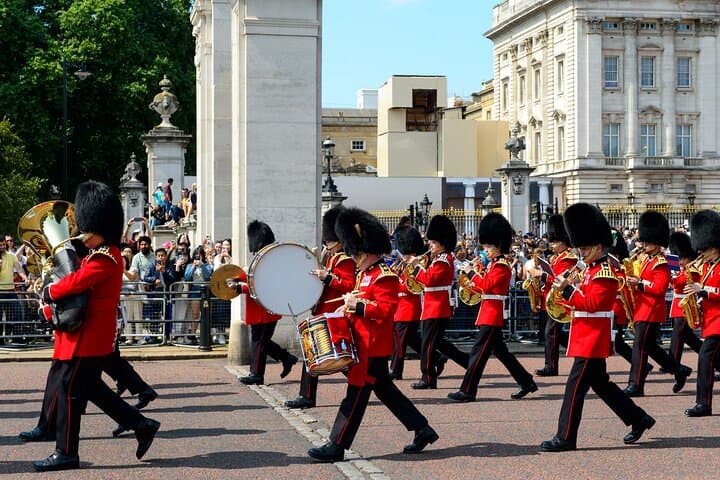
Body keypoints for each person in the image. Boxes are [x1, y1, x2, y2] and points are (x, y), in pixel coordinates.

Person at [30, 180, 160, 471]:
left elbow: (77, 281)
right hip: (83, 336)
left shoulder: (107, 256)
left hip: (88, 338)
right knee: (92, 390)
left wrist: (50, 291)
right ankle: (141, 425)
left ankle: (66, 452)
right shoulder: (97, 252)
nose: (82, 232)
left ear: (99, 226)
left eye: (87, 227)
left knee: (69, 390)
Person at [307, 207, 438, 462]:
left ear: (368, 251)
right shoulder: (363, 275)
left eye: (356, 252)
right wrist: (348, 305)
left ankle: (337, 445)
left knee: (355, 395)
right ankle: (422, 429)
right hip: (362, 343)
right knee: (387, 392)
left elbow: (387, 310)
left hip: (373, 346)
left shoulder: (383, 276)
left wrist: (358, 306)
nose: (353, 257)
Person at [540, 203, 655, 452]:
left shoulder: (604, 272)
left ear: (599, 246)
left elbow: (592, 303)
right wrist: (561, 294)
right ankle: (639, 419)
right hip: (584, 334)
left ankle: (566, 437)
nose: (580, 252)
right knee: (601, 384)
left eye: (584, 248)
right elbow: (580, 302)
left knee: (575, 388)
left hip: (592, 338)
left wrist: (568, 290)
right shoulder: (588, 270)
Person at [447, 213, 537, 402]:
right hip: (487, 312)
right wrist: (472, 276)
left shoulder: (502, 266)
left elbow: (487, 285)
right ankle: (526, 382)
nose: (485, 250)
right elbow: (482, 286)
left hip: (492, 315)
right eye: (485, 246)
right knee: (502, 353)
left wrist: (472, 273)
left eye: (489, 247)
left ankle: (468, 390)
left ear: (499, 246)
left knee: (477, 354)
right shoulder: (493, 264)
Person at [285, 206, 356, 409]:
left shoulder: (344, 259)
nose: (327, 243)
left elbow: (349, 285)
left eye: (330, 239)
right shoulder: (331, 257)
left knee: (338, 359)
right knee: (313, 355)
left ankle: (368, 382)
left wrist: (329, 277)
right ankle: (306, 395)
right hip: (323, 311)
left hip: (333, 313)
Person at [624, 211, 692, 397]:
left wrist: (639, 283)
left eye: (647, 241)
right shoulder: (646, 259)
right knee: (649, 347)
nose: (643, 244)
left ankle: (636, 385)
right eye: (643, 241)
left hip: (651, 310)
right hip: (642, 308)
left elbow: (659, 288)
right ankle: (679, 370)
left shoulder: (661, 262)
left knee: (639, 346)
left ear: (656, 241)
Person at [228, 221, 297, 385]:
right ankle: (287, 357)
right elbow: (253, 278)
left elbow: (263, 285)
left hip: (266, 307)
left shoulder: (270, 259)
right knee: (262, 341)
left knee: (258, 341)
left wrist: (240, 287)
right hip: (258, 307)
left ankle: (257, 374)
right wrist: (238, 279)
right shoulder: (261, 257)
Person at [410, 215, 468, 389]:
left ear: (442, 243)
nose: (430, 245)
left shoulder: (443, 260)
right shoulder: (437, 259)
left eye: (433, 243)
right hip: (432, 306)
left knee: (428, 343)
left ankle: (428, 377)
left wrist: (416, 267)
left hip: (437, 307)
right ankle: (467, 361)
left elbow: (429, 279)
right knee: (438, 342)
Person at [528, 215, 577, 376]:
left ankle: (551, 366)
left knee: (550, 332)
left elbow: (559, 280)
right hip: (550, 299)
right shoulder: (555, 258)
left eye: (555, 242)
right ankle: (578, 352)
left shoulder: (569, 259)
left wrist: (541, 275)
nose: (552, 244)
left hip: (559, 301)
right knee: (556, 334)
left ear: (564, 241)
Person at [684, 210, 720, 417]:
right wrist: (698, 300)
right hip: (711, 320)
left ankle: (704, 403)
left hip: (718, 322)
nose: (702, 253)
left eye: (705, 249)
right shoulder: (708, 266)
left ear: (715, 246)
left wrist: (704, 291)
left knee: (705, 358)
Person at [667, 231, 703, 366]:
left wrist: (672, 275)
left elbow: (679, 283)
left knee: (678, 335)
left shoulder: (692, 269)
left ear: (687, 257)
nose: (679, 261)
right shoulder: (681, 267)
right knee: (687, 337)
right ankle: (715, 359)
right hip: (678, 304)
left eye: (681, 258)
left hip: (686, 305)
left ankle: (672, 362)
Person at [183, 246, 213, 344]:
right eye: (196, 256)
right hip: (195, 290)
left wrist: (202, 265)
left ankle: (206, 334)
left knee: (206, 313)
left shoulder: (207, 265)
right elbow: (187, 277)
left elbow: (208, 275)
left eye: (199, 256)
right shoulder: (190, 265)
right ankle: (193, 333)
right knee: (195, 314)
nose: (197, 258)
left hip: (205, 290)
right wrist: (193, 267)